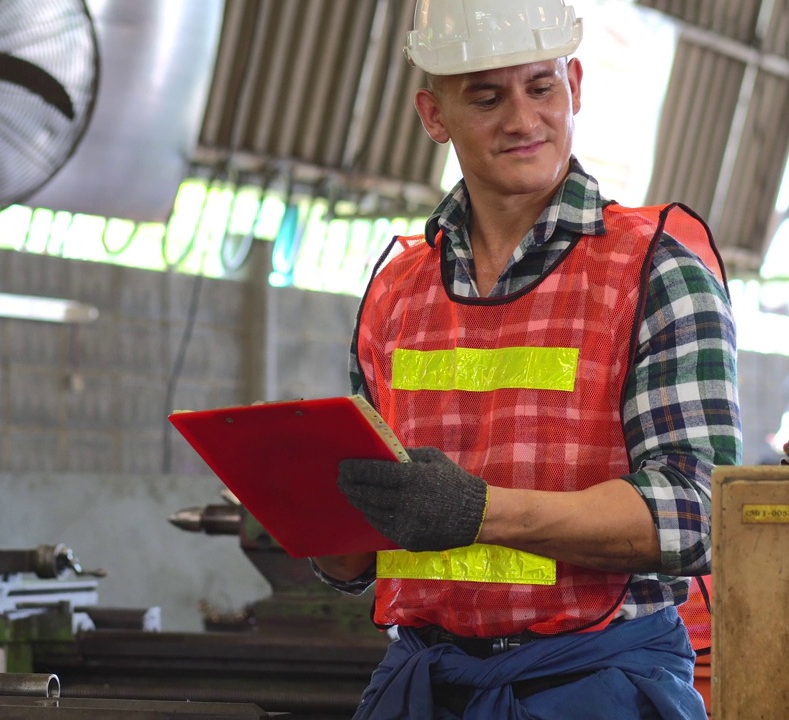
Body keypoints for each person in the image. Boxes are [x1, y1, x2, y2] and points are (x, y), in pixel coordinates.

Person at [311, 1, 742, 718]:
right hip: (425, 681)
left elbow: (698, 514)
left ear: (574, 82)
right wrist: (323, 526)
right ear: (433, 114)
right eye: (486, 96)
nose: (522, 119)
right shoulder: (395, 290)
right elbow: (363, 546)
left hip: (596, 686)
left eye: (541, 87)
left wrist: (481, 512)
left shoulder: (653, 273)